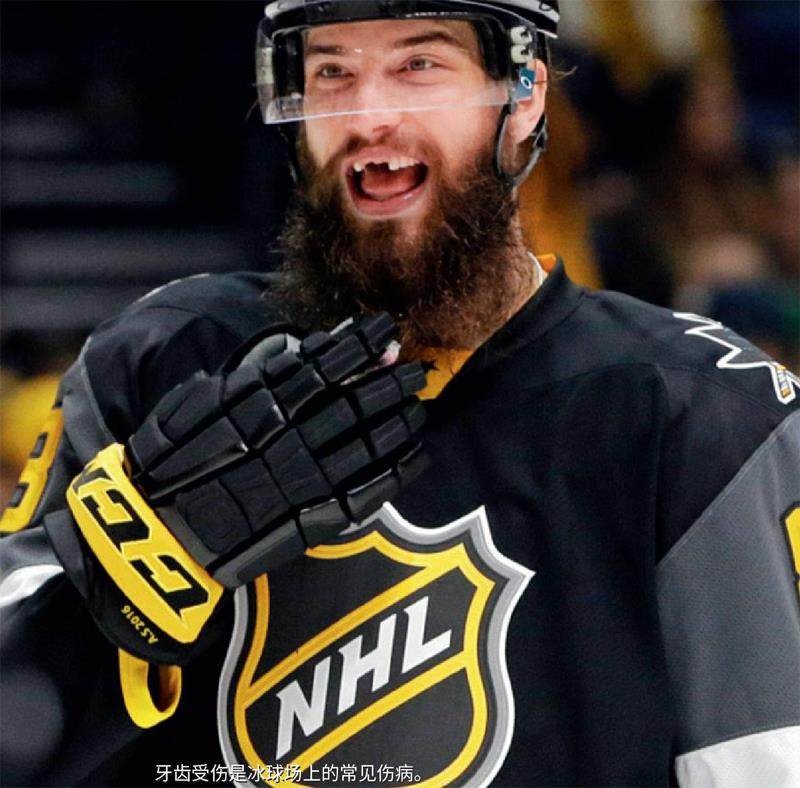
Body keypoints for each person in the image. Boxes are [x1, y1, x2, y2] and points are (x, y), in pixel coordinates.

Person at [1, 1, 799, 786]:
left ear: (524, 95)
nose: (368, 116)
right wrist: (136, 573)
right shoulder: (162, 359)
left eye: (419, 64)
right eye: (331, 73)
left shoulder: (705, 414)